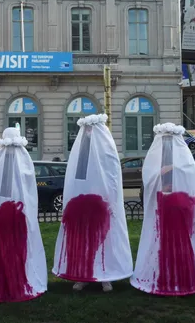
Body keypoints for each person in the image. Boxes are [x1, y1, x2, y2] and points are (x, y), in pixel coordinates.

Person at [52, 114, 132, 292]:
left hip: (100, 203)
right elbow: (76, 177)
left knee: (103, 240)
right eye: (87, 131)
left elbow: (111, 176)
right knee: (82, 240)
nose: (89, 133)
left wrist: (110, 199)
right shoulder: (81, 151)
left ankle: (105, 275)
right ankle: (82, 275)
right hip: (83, 202)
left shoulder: (106, 150)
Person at [131, 123, 195, 296]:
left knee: (179, 242)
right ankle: (164, 276)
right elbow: (151, 180)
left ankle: (182, 277)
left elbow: (188, 179)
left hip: (179, 206)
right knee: (162, 242)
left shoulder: (184, 161)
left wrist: (170, 171)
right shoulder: (159, 161)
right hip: (163, 206)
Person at [0, 127, 47, 302]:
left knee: (7, 250)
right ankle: (7, 282)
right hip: (8, 216)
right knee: (8, 250)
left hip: (7, 216)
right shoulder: (15, 159)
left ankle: (7, 281)